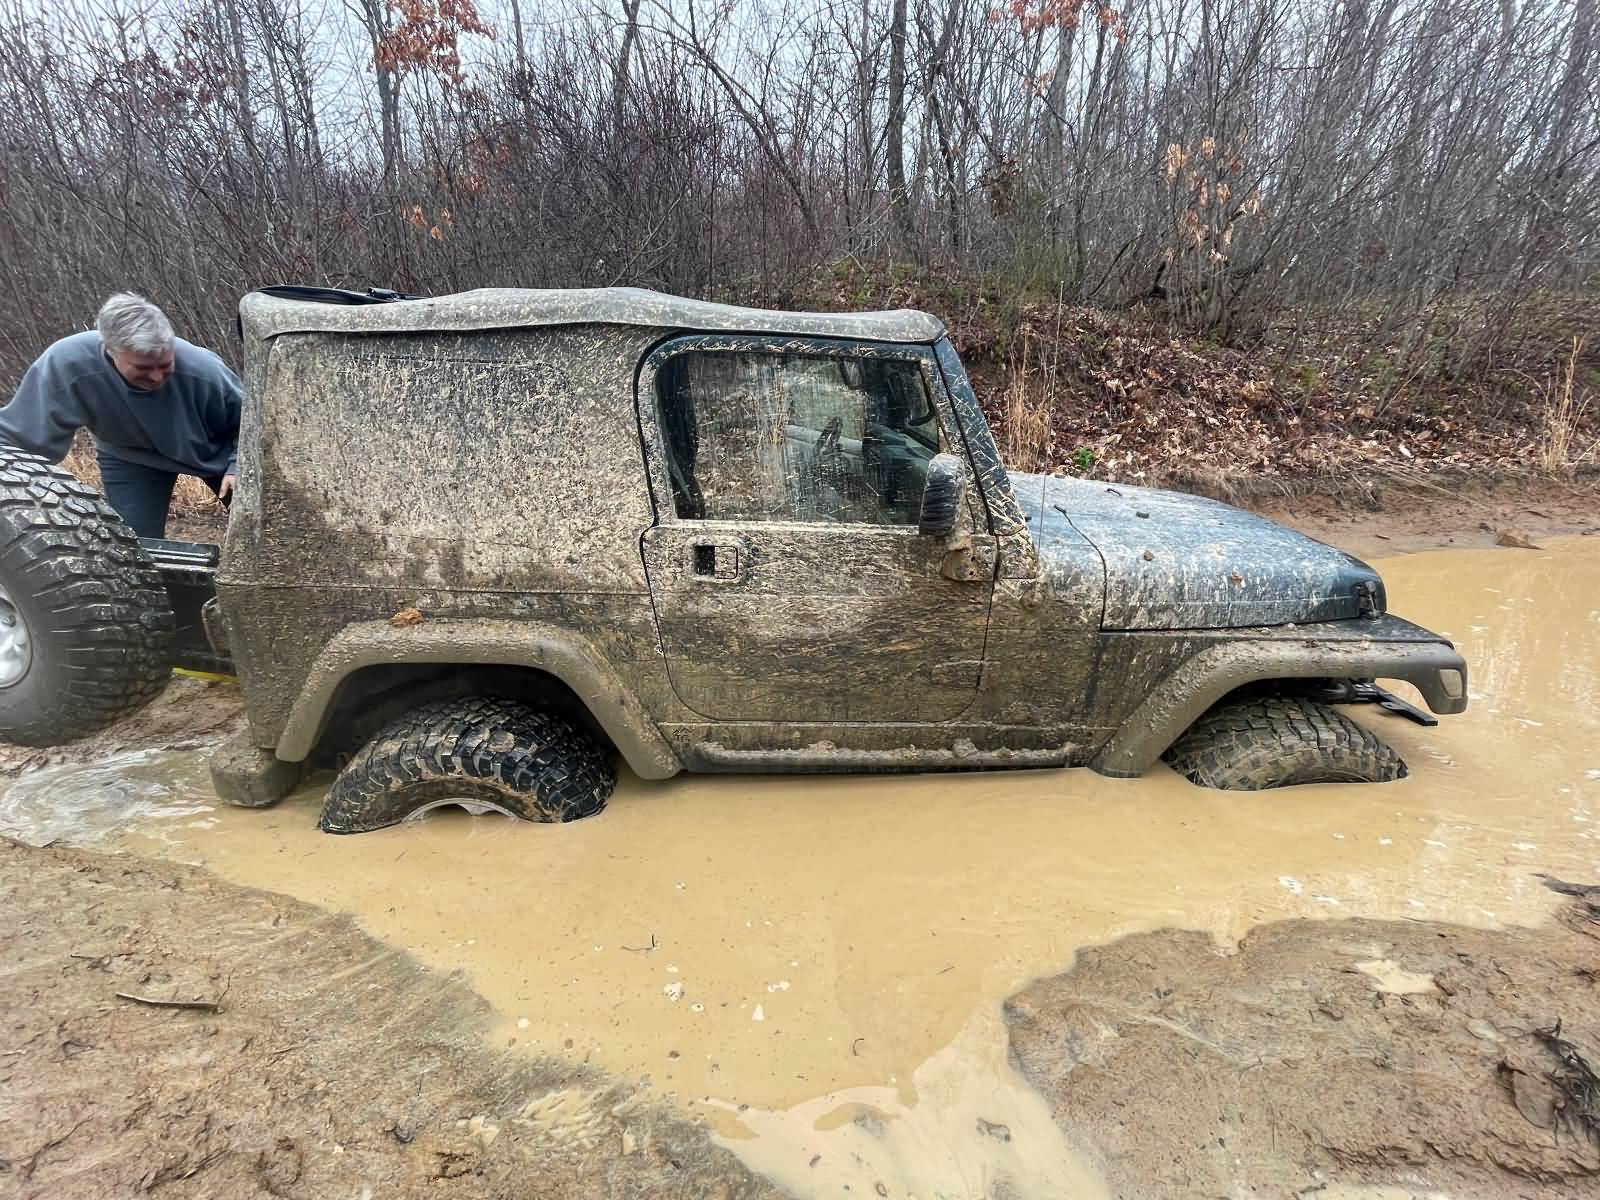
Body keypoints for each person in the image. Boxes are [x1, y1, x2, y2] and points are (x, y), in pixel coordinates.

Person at [0, 293, 240, 539]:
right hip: (131, 456)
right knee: (134, 546)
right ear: (111, 352)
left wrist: (238, 467)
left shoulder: (203, 370)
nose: (156, 377)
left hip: (219, 453)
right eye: (143, 368)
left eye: (165, 365)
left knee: (262, 534)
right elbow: (19, 435)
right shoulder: (69, 365)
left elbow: (257, 425)